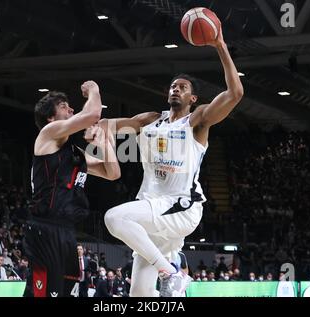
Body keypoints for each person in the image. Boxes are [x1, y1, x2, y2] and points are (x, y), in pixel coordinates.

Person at [103, 22, 243, 297]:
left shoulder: (197, 121)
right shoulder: (150, 120)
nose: (175, 89)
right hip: (153, 210)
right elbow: (109, 125)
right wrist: (88, 126)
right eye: (172, 86)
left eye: (182, 87)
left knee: (113, 218)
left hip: (180, 207)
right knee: (140, 296)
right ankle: (171, 280)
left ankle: (172, 273)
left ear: (193, 97)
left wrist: (220, 45)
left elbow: (235, 94)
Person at [24, 81, 121, 298]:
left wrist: (104, 143)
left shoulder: (75, 152)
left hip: (66, 230)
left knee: (66, 292)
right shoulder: (47, 135)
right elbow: (93, 114)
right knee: (42, 294)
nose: (70, 109)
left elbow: (112, 173)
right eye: (64, 106)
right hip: (45, 228)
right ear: (50, 117)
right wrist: (94, 89)